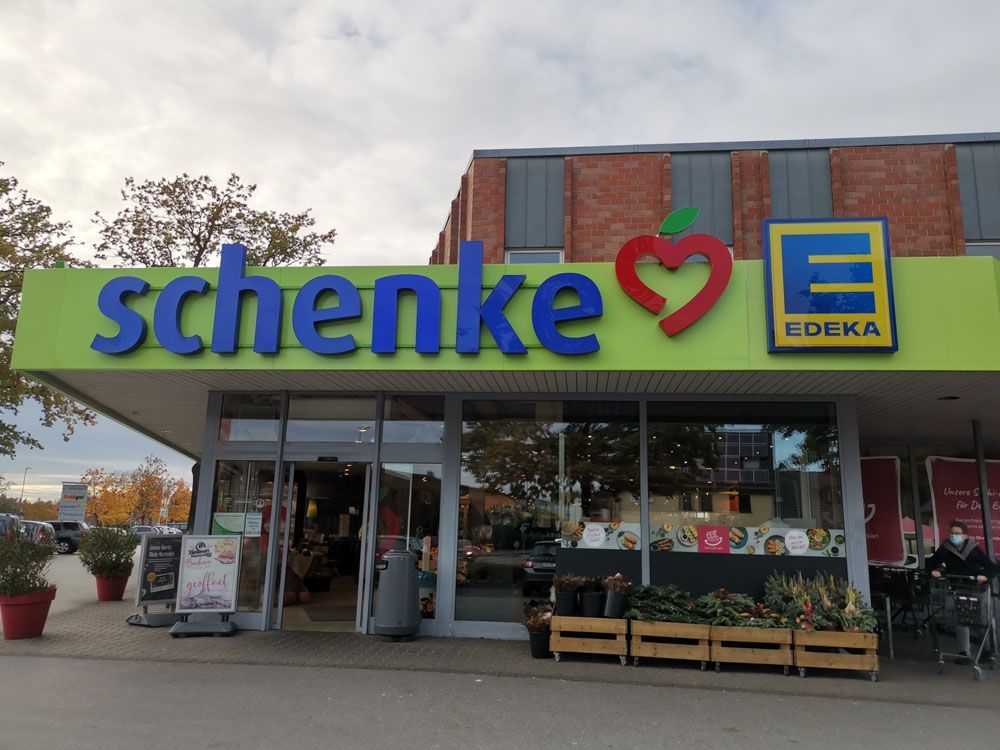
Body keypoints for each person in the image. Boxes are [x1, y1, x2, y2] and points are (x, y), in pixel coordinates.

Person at [925, 520, 996, 658]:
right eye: (952, 533)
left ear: (965, 536)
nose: (954, 536)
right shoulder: (946, 548)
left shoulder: (973, 549)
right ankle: (964, 652)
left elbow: (991, 567)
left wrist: (985, 576)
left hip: (973, 589)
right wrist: (933, 571)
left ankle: (987, 651)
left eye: (957, 534)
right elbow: (931, 563)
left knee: (978, 621)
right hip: (955, 588)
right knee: (959, 620)